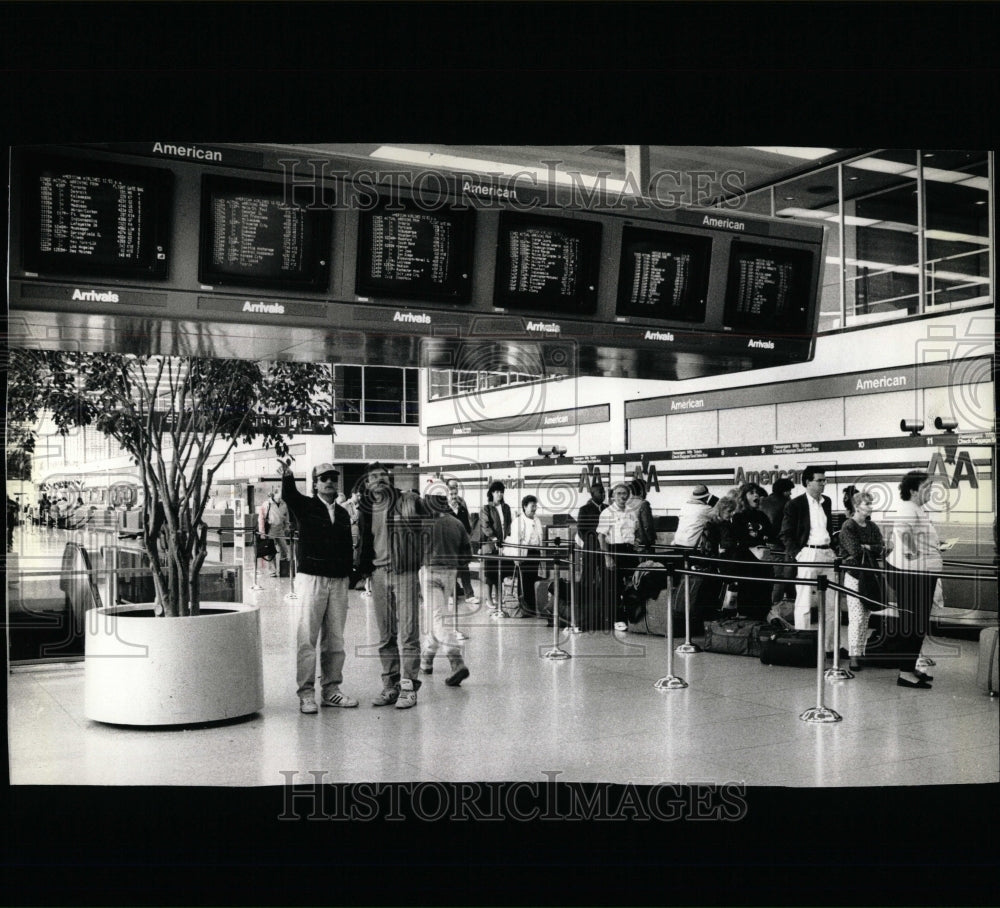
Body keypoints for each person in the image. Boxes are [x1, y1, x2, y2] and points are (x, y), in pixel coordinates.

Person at [279, 461, 358, 714]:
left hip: (338, 582)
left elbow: (347, 546)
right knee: (307, 638)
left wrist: (349, 576)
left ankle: (332, 690)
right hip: (311, 579)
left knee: (335, 639)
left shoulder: (344, 513)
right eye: (323, 478)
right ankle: (306, 694)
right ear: (315, 483)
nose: (329, 482)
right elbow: (289, 495)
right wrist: (288, 475)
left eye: (333, 478)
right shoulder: (306, 506)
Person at [357, 461, 425, 709]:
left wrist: (418, 557)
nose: (379, 479)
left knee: (408, 633)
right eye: (374, 476)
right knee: (386, 635)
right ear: (367, 483)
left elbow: (428, 522)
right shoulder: (366, 508)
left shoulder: (406, 500)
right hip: (378, 573)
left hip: (404, 572)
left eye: (383, 475)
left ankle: (408, 687)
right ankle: (390, 685)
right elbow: (365, 541)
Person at [871, 471, 944, 689]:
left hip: (919, 573)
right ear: (913, 490)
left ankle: (909, 667)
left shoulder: (917, 508)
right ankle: (905, 673)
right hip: (912, 574)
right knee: (912, 624)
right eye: (926, 487)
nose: (931, 490)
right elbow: (902, 532)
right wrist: (915, 554)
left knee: (917, 624)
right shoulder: (908, 508)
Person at [780, 466, 836, 651]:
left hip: (827, 552)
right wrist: (799, 553)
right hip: (808, 553)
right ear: (807, 482)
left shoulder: (826, 502)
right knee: (803, 600)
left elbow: (826, 528)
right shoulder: (795, 504)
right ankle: (802, 646)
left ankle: (828, 647)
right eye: (819, 480)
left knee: (830, 604)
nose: (823, 483)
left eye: (824, 480)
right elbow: (786, 533)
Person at [419, 491, 472, 686]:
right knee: (437, 617)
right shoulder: (456, 523)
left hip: (429, 572)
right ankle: (426, 659)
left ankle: (456, 660)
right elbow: (468, 554)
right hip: (450, 573)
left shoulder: (423, 523)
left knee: (437, 618)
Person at [838, 489, 886, 673]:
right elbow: (855, 551)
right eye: (867, 504)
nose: (870, 507)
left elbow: (880, 547)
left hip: (869, 574)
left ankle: (860, 651)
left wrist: (867, 547)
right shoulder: (848, 526)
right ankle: (854, 656)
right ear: (857, 506)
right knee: (857, 616)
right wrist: (869, 548)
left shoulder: (872, 526)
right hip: (855, 575)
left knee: (865, 615)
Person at [730, 482, 777, 619]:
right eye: (751, 493)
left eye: (757, 492)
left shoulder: (762, 515)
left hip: (762, 561)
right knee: (748, 594)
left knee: (764, 595)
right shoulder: (738, 517)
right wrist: (756, 541)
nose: (756, 495)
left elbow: (771, 534)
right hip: (747, 562)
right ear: (744, 497)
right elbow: (739, 537)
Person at [597, 482, 638, 631]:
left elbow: (635, 532)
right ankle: (616, 619)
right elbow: (601, 537)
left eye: (624, 493)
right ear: (613, 496)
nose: (622, 496)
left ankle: (630, 616)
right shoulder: (607, 513)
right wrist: (608, 557)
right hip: (613, 550)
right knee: (613, 587)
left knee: (631, 585)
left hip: (629, 551)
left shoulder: (631, 512)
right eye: (619, 493)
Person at [575, 481, 607, 631]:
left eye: (604, 492)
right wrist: (593, 542)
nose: (603, 494)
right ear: (593, 494)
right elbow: (581, 530)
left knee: (606, 579)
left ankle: (603, 613)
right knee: (587, 578)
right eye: (600, 492)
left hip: (605, 549)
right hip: (591, 549)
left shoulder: (607, 509)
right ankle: (583, 614)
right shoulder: (585, 509)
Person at [479, 480, 512, 614]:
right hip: (490, 544)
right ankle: (489, 599)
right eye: (497, 492)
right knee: (490, 573)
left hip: (503, 544)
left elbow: (508, 524)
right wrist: (494, 538)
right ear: (492, 493)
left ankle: (498, 598)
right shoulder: (486, 508)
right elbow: (485, 525)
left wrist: (507, 538)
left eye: (501, 492)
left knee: (501, 572)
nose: (499, 494)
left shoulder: (506, 508)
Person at [761, 478, 796, 607]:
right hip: (781, 545)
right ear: (784, 491)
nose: (790, 494)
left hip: (766, 545)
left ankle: (771, 604)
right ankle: (775, 607)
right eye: (789, 491)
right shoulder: (787, 503)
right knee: (781, 577)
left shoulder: (763, 501)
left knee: (773, 576)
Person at [511, 494, 544, 616]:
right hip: (524, 554)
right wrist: (516, 557)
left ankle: (532, 606)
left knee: (533, 579)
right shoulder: (518, 522)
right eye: (532, 506)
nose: (534, 508)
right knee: (524, 581)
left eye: (536, 506)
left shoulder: (537, 520)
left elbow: (540, 537)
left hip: (535, 552)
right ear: (525, 507)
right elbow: (515, 541)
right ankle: (525, 607)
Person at [446, 479, 477, 603]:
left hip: (461, 544)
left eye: (455, 493)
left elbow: (468, 527)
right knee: (451, 570)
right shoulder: (444, 509)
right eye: (451, 494)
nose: (454, 497)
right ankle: (450, 594)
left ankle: (469, 595)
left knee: (464, 569)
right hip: (449, 545)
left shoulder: (462, 508)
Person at [258, 489, 291, 578]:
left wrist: (287, 527)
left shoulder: (284, 504)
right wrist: (262, 532)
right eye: (279, 497)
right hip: (270, 529)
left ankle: (283, 570)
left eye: (281, 497)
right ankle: (272, 571)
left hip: (280, 530)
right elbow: (261, 519)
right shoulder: (267, 504)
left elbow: (286, 517)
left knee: (284, 549)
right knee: (271, 551)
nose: (280, 499)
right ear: (274, 495)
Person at [628, 478, 656, 554]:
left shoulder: (626, 504)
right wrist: (651, 541)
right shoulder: (644, 504)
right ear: (641, 491)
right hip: (643, 544)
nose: (646, 493)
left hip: (630, 542)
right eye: (645, 490)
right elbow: (647, 526)